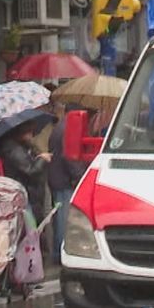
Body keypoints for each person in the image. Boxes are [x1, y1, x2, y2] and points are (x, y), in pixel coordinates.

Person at [47, 105, 90, 262]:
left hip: (57, 178)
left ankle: (58, 253)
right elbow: (69, 156)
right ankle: (60, 254)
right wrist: (79, 175)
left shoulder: (59, 127)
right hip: (64, 181)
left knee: (60, 218)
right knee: (63, 221)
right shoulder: (68, 129)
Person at [0, 122, 52, 224]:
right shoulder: (14, 150)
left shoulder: (23, 147)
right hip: (25, 194)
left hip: (29, 193)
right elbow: (30, 170)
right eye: (29, 132)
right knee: (30, 227)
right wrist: (42, 159)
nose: (32, 135)